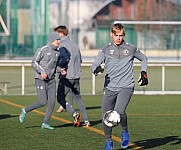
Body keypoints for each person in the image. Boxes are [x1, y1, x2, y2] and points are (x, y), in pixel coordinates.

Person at [91, 23, 148, 150]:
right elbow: (94, 65)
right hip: (109, 87)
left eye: (121, 35)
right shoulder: (105, 49)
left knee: (119, 111)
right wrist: (96, 69)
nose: (118, 38)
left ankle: (125, 131)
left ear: (124, 35)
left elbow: (144, 59)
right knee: (106, 116)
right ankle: (109, 142)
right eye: (116, 35)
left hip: (126, 86)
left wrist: (144, 72)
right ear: (111, 34)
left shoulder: (131, 48)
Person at [19, 32, 60, 130]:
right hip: (40, 79)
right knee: (42, 102)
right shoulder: (43, 50)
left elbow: (54, 67)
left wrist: (60, 70)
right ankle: (25, 110)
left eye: (59, 39)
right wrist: (42, 72)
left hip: (51, 80)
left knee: (52, 102)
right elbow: (34, 62)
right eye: (57, 39)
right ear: (52, 40)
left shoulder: (58, 52)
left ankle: (45, 123)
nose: (59, 41)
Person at [54, 25, 90, 127]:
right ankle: (87, 121)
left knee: (60, 98)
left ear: (60, 34)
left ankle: (75, 114)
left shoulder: (61, 45)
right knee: (78, 99)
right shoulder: (75, 45)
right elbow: (80, 61)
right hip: (76, 76)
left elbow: (63, 60)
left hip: (67, 77)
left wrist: (58, 67)